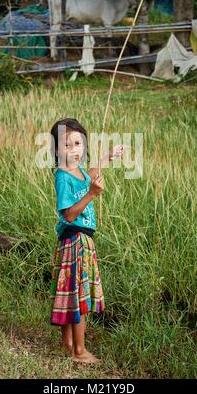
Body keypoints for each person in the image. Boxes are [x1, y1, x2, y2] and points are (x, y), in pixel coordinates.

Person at [49, 117, 125, 363]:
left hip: (81, 241)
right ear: (56, 151)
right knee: (79, 296)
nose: (74, 150)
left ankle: (67, 343)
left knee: (71, 293)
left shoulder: (78, 171)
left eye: (78, 143)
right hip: (75, 241)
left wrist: (108, 158)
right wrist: (92, 194)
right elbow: (69, 214)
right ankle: (79, 352)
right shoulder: (62, 176)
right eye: (67, 145)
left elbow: (89, 175)